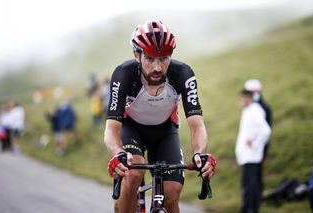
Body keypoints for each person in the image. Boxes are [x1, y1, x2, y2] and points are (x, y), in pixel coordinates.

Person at [104, 20, 216, 213]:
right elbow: (112, 127)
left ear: (171, 56)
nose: (157, 67)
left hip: (165, 131)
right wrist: (118, 153)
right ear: (136, 55)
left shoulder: (183, 74)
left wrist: (199, 154)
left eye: (163, 58)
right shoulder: (124, 74)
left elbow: (197, 124)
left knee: (172, 193)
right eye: (149, 59)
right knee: (133, 172)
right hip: (131, 128)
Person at [235, 89, 271, 213]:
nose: (243, 100)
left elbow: (265, 131)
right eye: (242, 97)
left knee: (249, 187)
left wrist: (254, 143)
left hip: (251, 156)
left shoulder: (255, 110)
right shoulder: (248, 110)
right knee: (250, 185)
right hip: (247, 156)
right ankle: (251, 209)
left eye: (245, 97)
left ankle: (248, 210)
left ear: (251, 98)